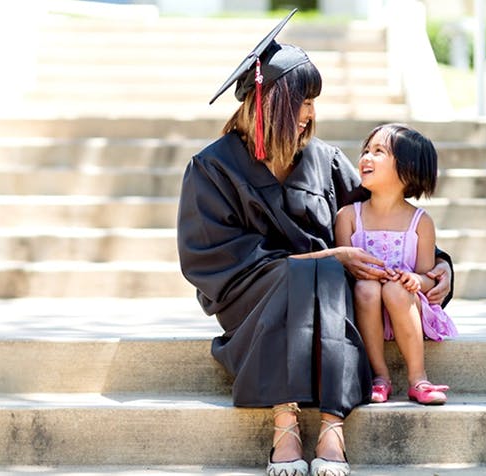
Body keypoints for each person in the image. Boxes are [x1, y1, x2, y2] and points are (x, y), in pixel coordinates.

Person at [176, 10, 453, 476]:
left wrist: (438, 265)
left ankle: (331, 425)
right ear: (271, 102)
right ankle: (285, 423)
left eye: (312, 102)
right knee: (312, 274)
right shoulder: (213, 169)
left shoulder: (324, 160)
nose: (310, 114)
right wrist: (325, 257)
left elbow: (379, 215)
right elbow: (214, 259)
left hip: (327, 299)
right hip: (252, 298)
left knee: (324, 277)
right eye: (302, 101)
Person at [335, 123, 459, 406]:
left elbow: (428, 278)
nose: (366, 157)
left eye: (379, 151)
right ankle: (379, 377)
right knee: (366, 287)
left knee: (396, 289)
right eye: (366, 150)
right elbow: (344, 273)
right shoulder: (348, 217)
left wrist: (415, 280)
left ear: (407, 168)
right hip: (365, 308)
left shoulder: (420, 222)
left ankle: (418, 378)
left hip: (405, 307)